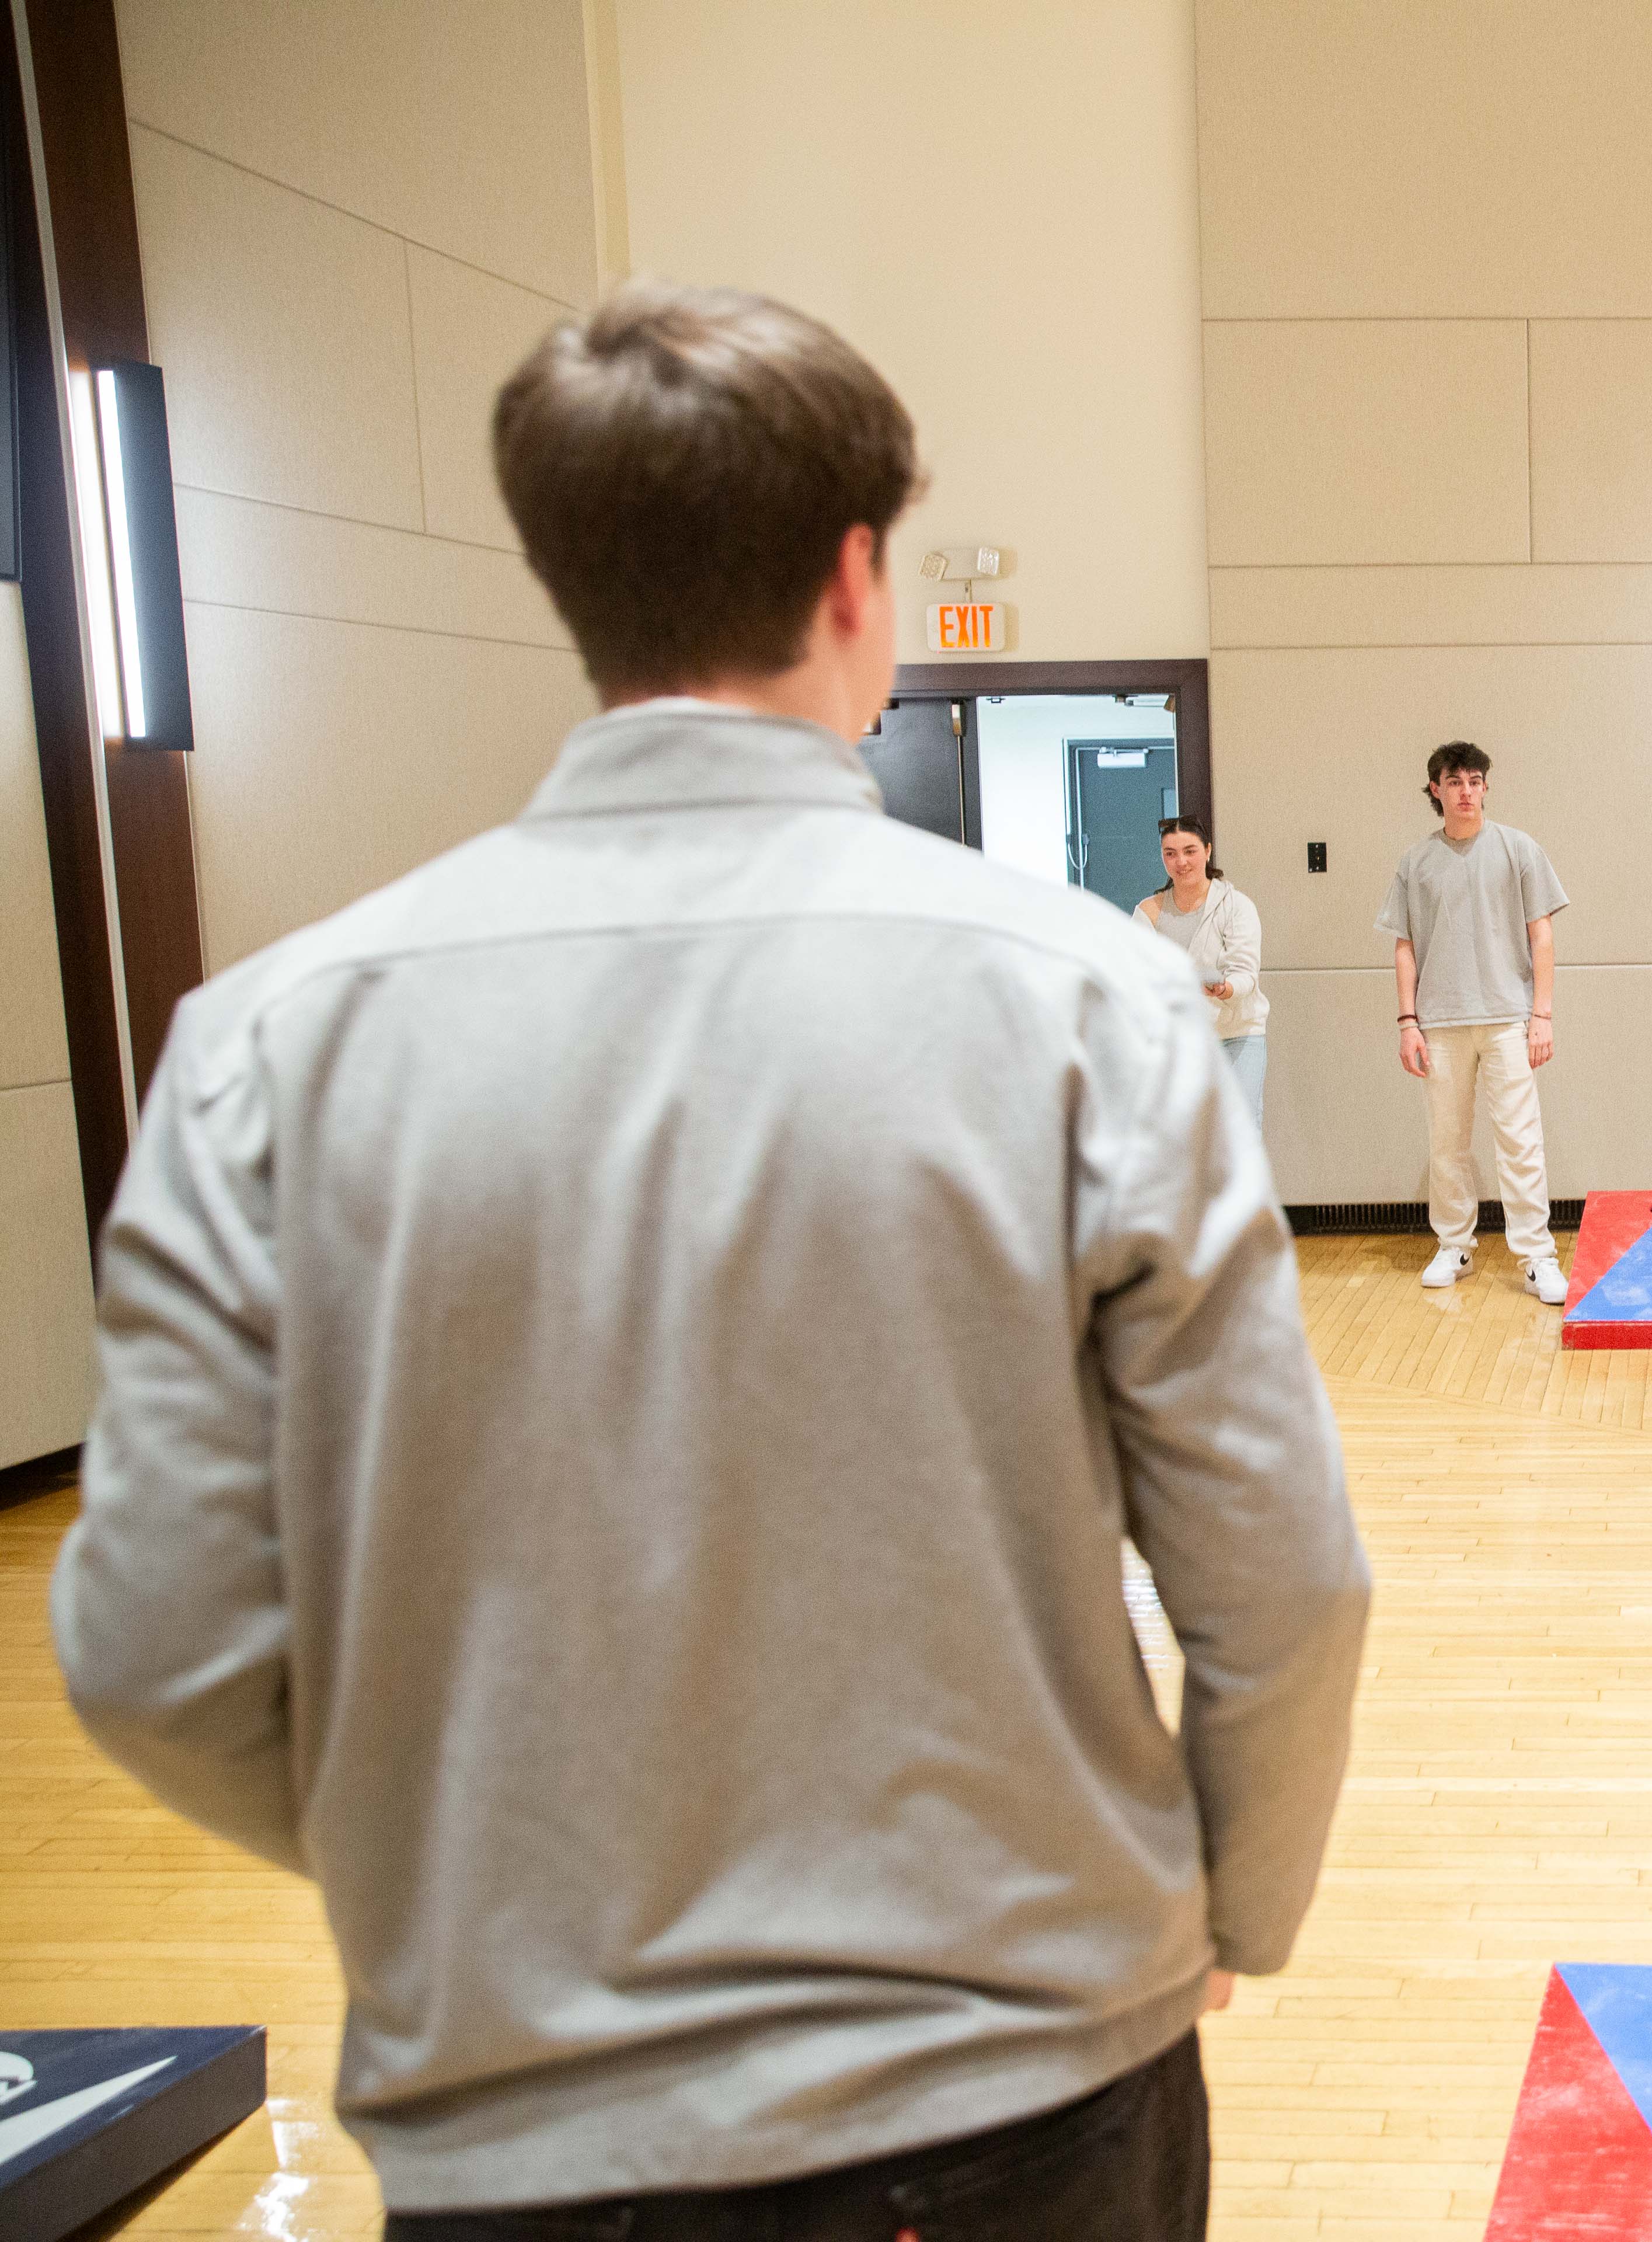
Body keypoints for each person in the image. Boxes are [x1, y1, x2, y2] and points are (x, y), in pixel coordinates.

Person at [52, 282, 1371, 2236]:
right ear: (860, 577)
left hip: (525, 2127)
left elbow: (156, 1650)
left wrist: (470, 1898)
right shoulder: (1086, 1001)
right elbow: (1283, 1580)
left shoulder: (265, 1043)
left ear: (571, 587)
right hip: (1029, 2085)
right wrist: (1226, 1899)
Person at [1379, 741, 1570, 1303]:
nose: (1466, 790)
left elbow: (1543, 935)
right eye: (1454, 781)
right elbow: (1405, 947)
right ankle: (1454, 1245)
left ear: (1486, 787)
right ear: (1435, 790)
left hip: (1510, 1017)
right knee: (1447, 1141)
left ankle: (1537, 1255)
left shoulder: (1519, 850)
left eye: (1475, 780)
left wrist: (1542, 1014)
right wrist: (1407, 1022)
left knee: (1521, 1140)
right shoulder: (1415, 863)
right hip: (1440, 1021)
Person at [1141, 814, 1268, 1120]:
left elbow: (1245, 973)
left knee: (1241, 1127)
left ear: (1208, 851)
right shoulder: (1149, 911)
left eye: (1190, 851)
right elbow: (1139, 974)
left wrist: (1224, 989)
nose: (1180, 862)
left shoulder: (1236, 906)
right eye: (1170, 853)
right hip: (1179, 1037)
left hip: (1237, 1033)